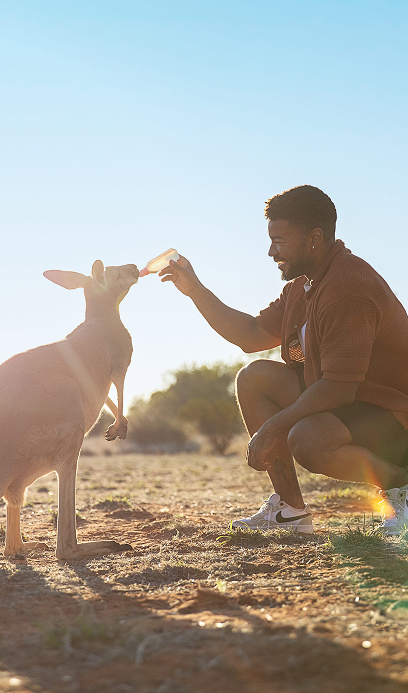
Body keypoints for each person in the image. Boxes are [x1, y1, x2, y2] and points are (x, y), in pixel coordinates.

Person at [160, 185, 408, 535]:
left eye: (279, 240)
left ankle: (403, 489)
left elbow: (338, 388)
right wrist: (195, 290)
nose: (270, 251)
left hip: (395, 413)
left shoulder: (348, 286)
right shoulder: (303, 286)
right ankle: (291, 510)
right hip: (357, 401)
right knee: (254, 377)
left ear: (314, 238)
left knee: (307, 439)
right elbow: (250, 335)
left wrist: (273, 426)